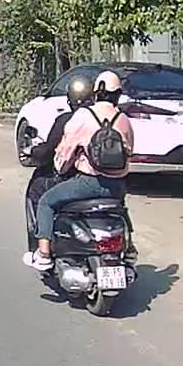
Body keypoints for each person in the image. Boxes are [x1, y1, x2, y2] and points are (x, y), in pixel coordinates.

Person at [24, 70, 135, 271]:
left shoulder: (84, 116)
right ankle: (129, 249)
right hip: (117, 186)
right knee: (120, 208)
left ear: (96, 92)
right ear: (118, 94)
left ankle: (44, 254)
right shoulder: (124, 119)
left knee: (46, 201)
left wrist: (61, 169)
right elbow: (129, 152)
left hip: (87, 183)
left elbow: (65, 152)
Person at [23, 76, 94, 243]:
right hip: (108, 181)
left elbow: (52, 151)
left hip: (76, 178)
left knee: (38, 191)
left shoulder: (68, 120)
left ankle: (41, 245)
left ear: (70, 99)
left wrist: (34, 152)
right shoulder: (106, 118)